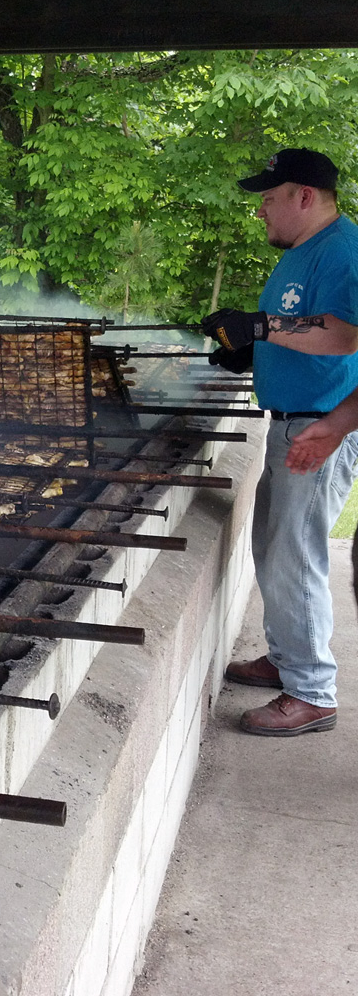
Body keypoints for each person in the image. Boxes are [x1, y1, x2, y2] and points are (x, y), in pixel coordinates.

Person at [200, 147, 358, 736]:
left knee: (295, 558)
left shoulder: (343, 250)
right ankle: (289, 658)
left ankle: (313, 692)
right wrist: (250, 350)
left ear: (305, 196)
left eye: (269, 198)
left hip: (320, 427)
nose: (261, 210)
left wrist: (261, 327)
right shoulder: (300, 252)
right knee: (274, 550)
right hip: (292, 419)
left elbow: (344, 337)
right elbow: (298, 332)